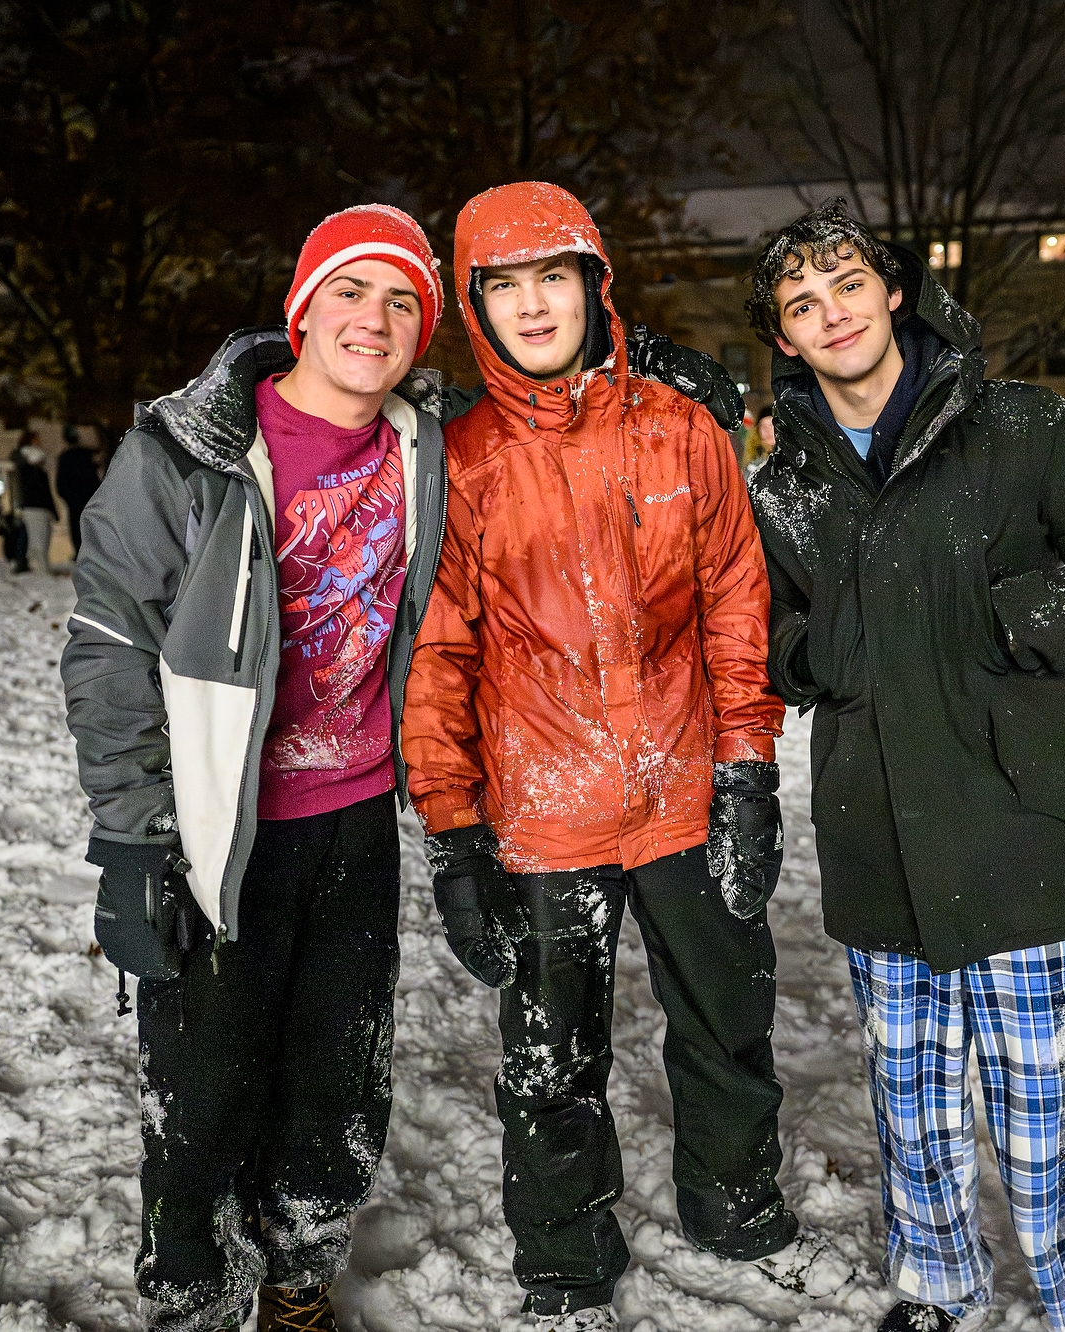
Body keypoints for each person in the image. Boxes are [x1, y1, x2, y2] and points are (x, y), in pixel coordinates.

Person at [60, 203, 729, 1332]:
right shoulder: (188, 454)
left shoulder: (427, 448)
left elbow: (550, 417)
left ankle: (298, 1280)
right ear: (302, 308)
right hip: (217, 827)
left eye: (403, 302)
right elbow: (111, 643)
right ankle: (188, 1295)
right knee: (205, 1089)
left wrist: (654, 376)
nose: (374, 319)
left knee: (338, 1078)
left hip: (357, 819)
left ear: (428, 329)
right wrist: (132, 836)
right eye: (351, 292)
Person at [401, 182, 834, 1332]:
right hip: (540, 809)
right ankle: (562, 1254)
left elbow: (738, 603)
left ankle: (735, 1208)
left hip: (685, 788)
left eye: (555, 278)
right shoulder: (462, 460)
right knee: (548, 1056)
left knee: (726, 1023)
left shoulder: (680, 429)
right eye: (503, 286)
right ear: (475, 308)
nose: (532, 306)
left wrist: (745, 767)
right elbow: (437, 650)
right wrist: (452, 828)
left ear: (596, 287)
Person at [744, 198, 1065, 1332]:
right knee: (913, 1099)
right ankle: (933, 1288)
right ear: (783, 339)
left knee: (1054, 1110)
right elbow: (762, 638)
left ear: (892, 292)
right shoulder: (781, 487)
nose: (828, 313)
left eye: (845, 285)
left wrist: (1016, 620)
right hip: (877, 828)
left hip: (1024, 824)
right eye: (799, 304)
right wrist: (807, 652)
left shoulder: (1019, 427)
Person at [12, 430, 58, 571]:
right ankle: (40, 571)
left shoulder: (37, 469)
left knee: (42, 540)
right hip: (33, 506)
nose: (39, 442)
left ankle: (39, 569)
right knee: (37, 542)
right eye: (36, 439)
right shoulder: (25, 466)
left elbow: (46, 491)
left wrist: (53, 510)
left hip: (40, 507)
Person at [55, 426, 103, 555]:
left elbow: (60, 483)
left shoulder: (65, 457)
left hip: (75, 501)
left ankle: (79, 552)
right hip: (87, 499)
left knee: (77, 528)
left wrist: (69, 497)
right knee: (90, 527)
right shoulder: (84, 455)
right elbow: (92, 478)